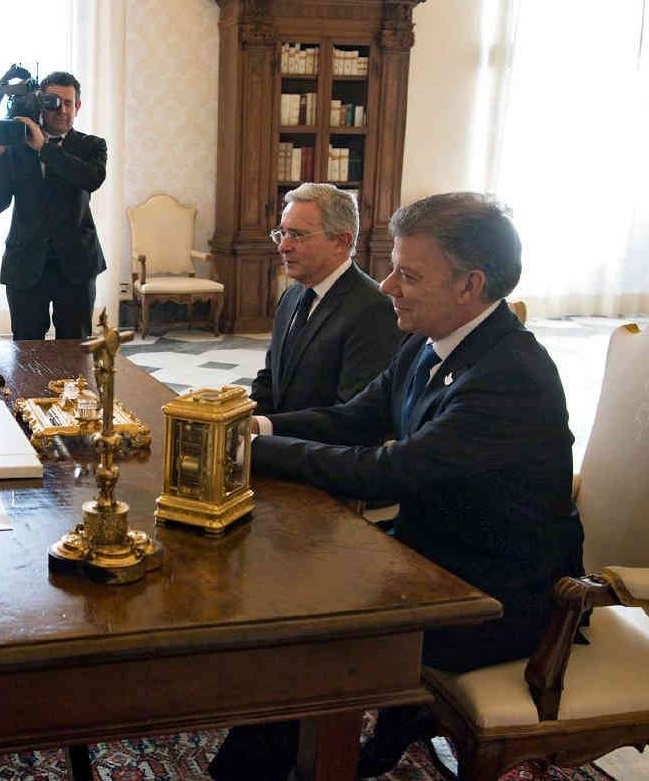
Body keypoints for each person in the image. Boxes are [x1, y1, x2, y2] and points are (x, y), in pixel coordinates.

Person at [208, 193, 584, 781]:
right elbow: (352, 418)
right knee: (284, 597)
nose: (386, 287)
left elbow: (387, 470)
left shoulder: (508, 376)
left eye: (407, 274)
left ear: (470, 285)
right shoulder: (427, 338)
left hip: (496, 597)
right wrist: (251, 425)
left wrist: (248, 451)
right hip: (428, 561)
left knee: (305, 640)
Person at [250, 183, 401, 414]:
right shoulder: (291, 295)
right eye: (282, 233)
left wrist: (266, 429)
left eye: (297, 235)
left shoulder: (373, 308)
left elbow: (352, 415)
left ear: (340, 242)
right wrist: (243, 425)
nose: (283, 246)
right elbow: (271, 377)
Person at [0, 71, 107, 341]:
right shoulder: (15, 146)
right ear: (41, 104)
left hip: (76, 263)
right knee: (26, 352)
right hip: (25, 262)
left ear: (77, 106)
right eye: (54, 102)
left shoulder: (91, 146)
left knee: (76, 350)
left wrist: (45, 148)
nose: (61, 110)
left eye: (68, 103)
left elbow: (91, 179)